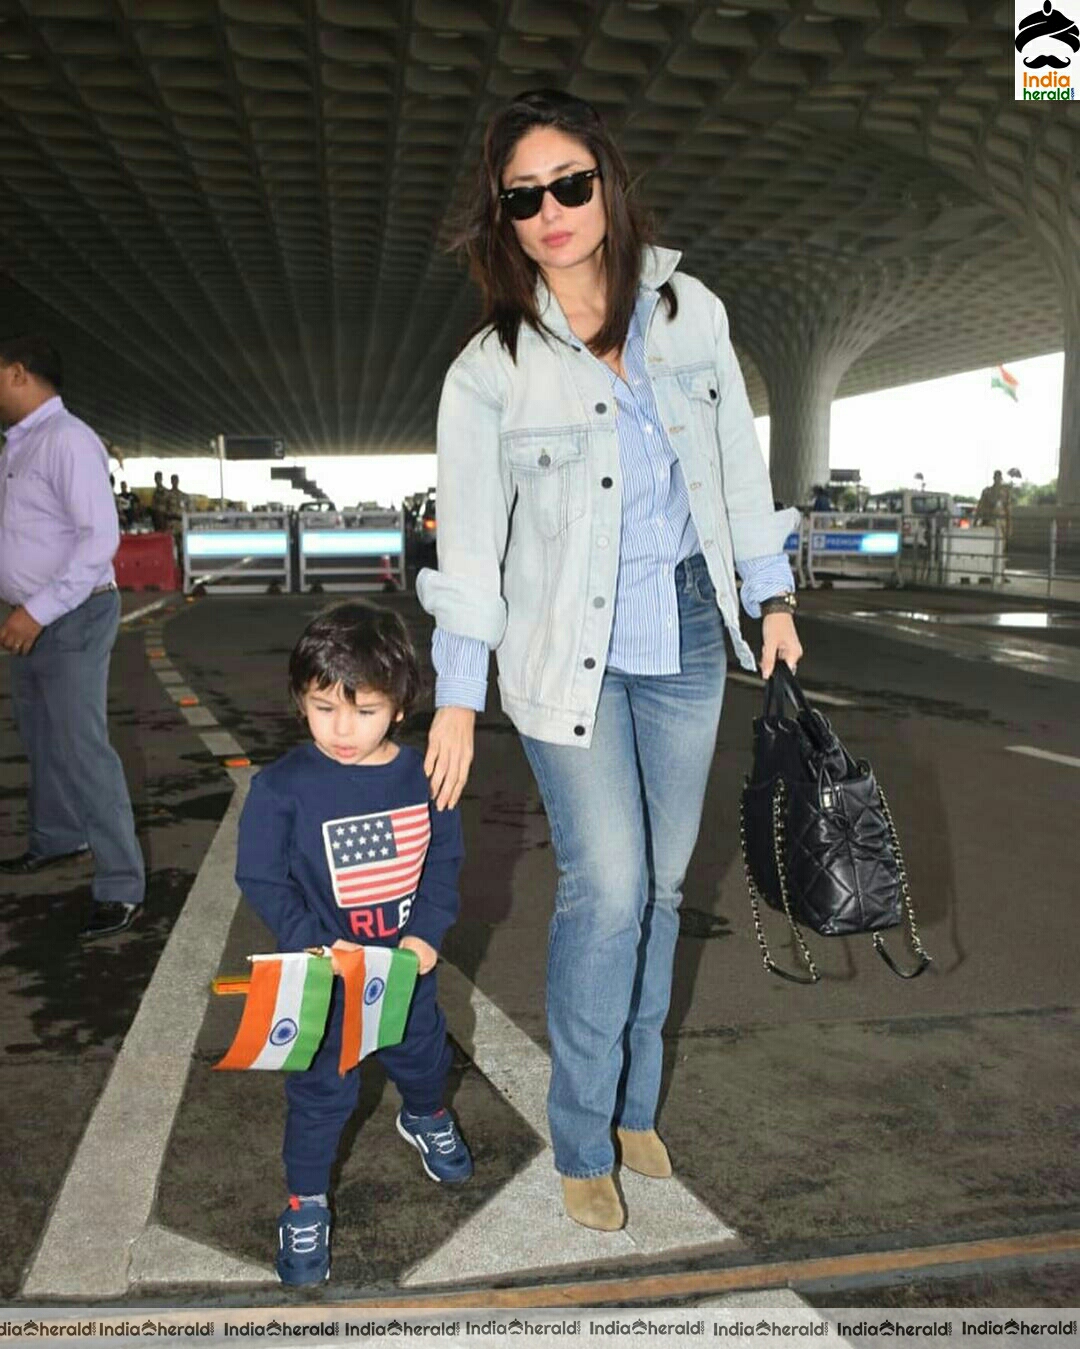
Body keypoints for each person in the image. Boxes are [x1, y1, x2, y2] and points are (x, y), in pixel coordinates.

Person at [417, 90, 804, 1233]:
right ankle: (584, 1133)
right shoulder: (490, 367)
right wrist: (451, 695)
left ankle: (636, 1105)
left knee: (665, 892)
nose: (550, 211)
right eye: (523, 195)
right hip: (563, 658)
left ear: (608, 184)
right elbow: (472, 549)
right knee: (611, 888)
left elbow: (736, 468)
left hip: (687, 638)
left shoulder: (691, 315)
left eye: (569, 184)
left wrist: (768, 594)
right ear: (504, 216)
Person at [235, 603, 472, 1286]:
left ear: (400, 706)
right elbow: (260, 873)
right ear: (300, 699)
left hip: (404, 969)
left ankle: (425, 1115)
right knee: (320, 1094)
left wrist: (427, 931)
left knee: (424, 1059)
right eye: (322, 707)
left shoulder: (428, 773)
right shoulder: (281, 788)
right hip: (326, 980)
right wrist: (308, 940)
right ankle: (304, 1200)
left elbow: (443, 862)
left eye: (363, 710)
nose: (341, 729)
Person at [0, 335, 145, 937]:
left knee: (83, 747)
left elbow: (97, 541)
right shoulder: (20, 445)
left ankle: (121, 885)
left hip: (71, 612)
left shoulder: (68, 441)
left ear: (16, 373)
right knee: (43, 735)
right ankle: (58, 838)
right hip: (31, 615)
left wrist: (37, 609)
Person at [974, 469, 1011, 536]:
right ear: (994, 478)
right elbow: (980, 507)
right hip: (988, 522)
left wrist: (1009, 527)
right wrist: (975, 522)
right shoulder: (987, 492)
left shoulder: (1005, 493)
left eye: (999, 478)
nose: (997, 480)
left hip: (1001, 524)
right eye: (996, 477)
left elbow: (1007, 510)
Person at [164, 473, 187, 551]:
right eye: (173, 480)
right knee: (171, 546)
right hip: (171, 523)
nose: (175, 482)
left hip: (180, 524)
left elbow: (185, 509)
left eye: (176, 480)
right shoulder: (167, 495)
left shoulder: (182, 495)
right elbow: (164, 509)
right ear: (171, 481)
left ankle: (181, 562)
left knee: (181, 546)